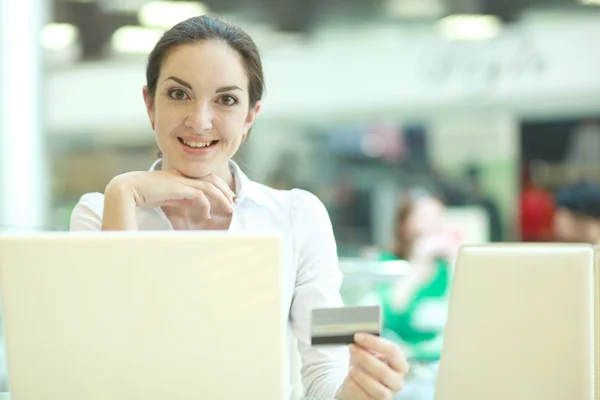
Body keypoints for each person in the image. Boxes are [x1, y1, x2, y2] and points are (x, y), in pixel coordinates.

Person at [69, 15, 408, 400]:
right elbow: (97, 365)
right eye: (179, 94)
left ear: (250, 117)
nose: (199, 121)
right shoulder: (100, 213)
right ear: (149, 104)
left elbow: (325, 370)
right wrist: (124, 191)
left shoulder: (299, 216)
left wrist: (357, 389)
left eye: (226, 100)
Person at [373, 190, 458, 400]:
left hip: (443, 367)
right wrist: (419, 266)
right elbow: (386, 313)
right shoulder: (387, 264)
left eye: (438, 217)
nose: (433, 225)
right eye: (425, 217)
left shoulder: (445, 267)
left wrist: (457, 259)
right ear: (404, 224)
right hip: (402, 368)